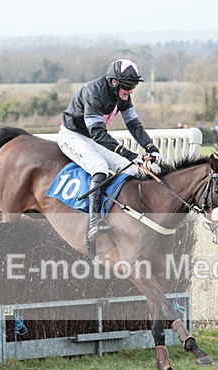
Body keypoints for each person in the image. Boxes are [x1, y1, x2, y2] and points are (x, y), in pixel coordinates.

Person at [57, 59, 162, 243]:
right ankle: (94, 222)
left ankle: (120, 214)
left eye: (134, 86)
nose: (131, 91)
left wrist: (150, 147)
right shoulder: (94, 93)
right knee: (100, 167)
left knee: (129, 169)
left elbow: (134, 125)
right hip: (72, 136)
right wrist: (129, 154)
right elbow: (98, 133)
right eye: (128, 86)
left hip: (90, 138)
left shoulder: (123, 97)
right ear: (114, 82)